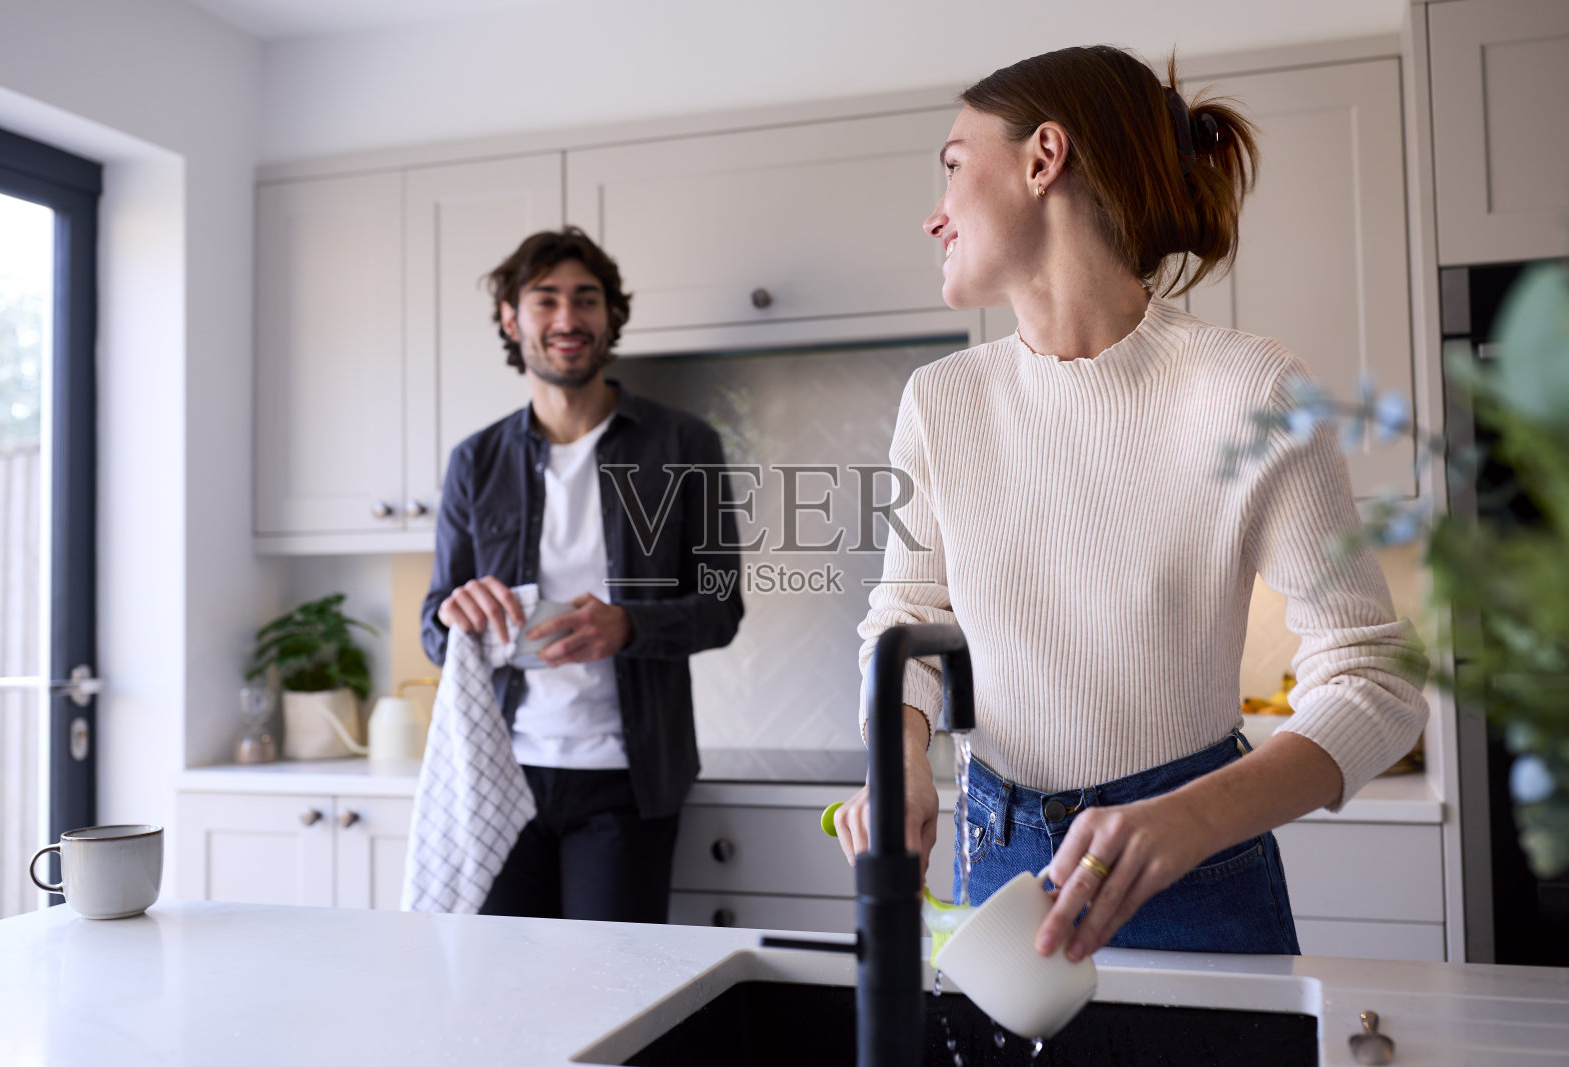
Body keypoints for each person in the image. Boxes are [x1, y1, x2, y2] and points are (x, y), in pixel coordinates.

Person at [832, 46, 1428, 960]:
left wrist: (1192, 820)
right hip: (992, 862)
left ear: (1043, 158)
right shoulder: (941, 400)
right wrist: (899, 756)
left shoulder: (1253, 391)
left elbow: (1374, 679)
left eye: (953, 166)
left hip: (1196, 869)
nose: (933, 215)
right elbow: (907, 620)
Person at [421, 226, 743, 923]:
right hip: (496, 771)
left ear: (609, 316)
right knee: (499, 990)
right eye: (545, 300)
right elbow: (433, 627)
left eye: (586, 299)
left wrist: (628, 624)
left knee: (613, 999)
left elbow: (722, 607)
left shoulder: (683, 443)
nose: (567, 319)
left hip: (628, 784)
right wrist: (455, 615)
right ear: (513, 319)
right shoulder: (474, 462)